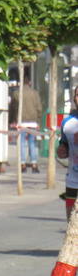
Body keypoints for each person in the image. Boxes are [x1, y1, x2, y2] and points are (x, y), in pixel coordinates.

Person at [10, 75, 42, 174]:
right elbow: (39, 108)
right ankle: (34, 164)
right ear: (29, 83)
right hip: (33, 121)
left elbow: (13, 107)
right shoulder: (35, 93)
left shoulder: (16, 93)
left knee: (22, 142)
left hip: (21, 120)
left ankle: (23, 164)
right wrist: (38, 121)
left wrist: (12, 120)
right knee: (32, 143)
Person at [57, 85, 78, 222]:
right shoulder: (67, 123)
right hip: (73, 181)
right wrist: (61, 150)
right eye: (77, 95)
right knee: (72, 226)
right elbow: (63, 145)